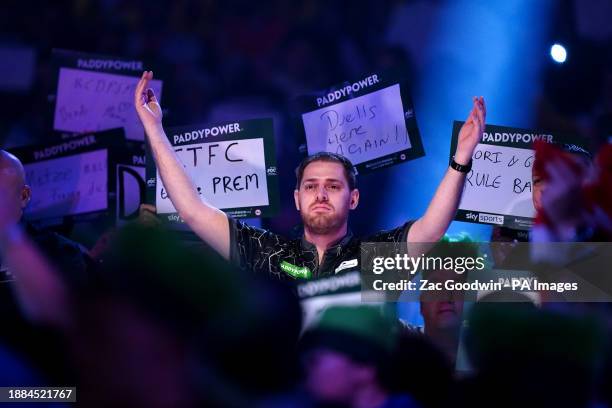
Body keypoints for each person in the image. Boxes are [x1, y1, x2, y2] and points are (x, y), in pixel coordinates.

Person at [135, 71, 486, 279]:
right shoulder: (266, 252)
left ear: (354, 198)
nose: (320, 194)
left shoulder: (371, 258)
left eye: (333, 186)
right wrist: (155, 130)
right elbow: (193, 209)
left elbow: (430, 228)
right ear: (297, 198)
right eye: (311, 186)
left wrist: (460, 160)